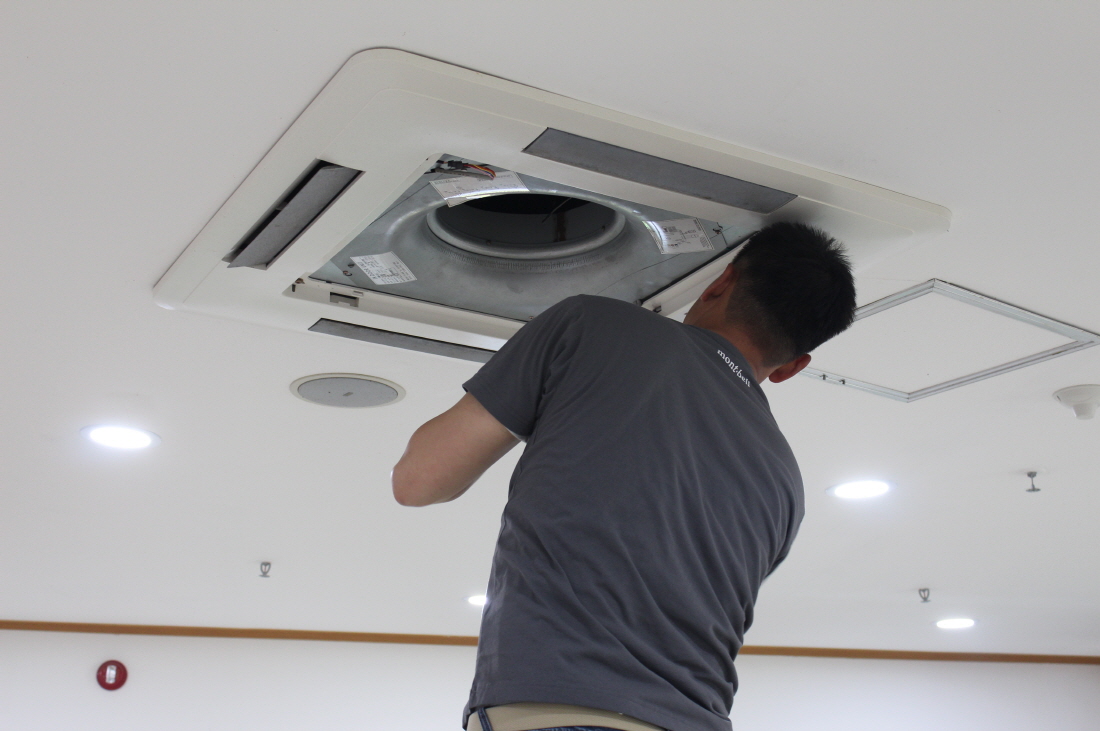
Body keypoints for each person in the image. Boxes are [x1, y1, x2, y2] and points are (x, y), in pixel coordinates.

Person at [392, 222, 857, 731]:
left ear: (720, 283)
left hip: (561, 708)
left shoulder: (594, 323)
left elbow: (420, 481)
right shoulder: (787, 483)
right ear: (793, 367)